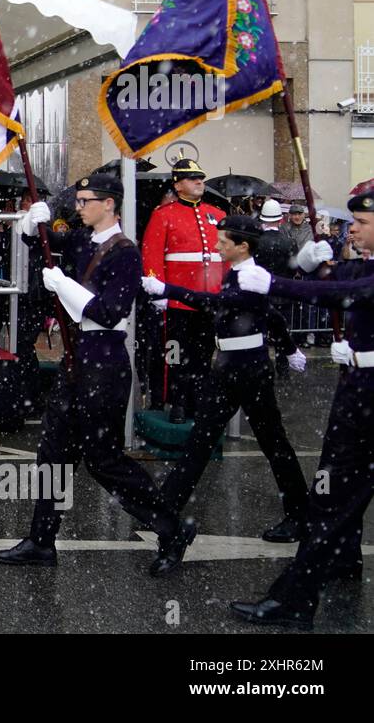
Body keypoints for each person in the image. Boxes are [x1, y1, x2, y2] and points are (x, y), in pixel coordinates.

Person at [0, 174, 194, 576]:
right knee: (52, 453)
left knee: (104, 461)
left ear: (109, 205)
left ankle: (171, 527)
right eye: (79, 200)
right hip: (77, 360)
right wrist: (33, 224)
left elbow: (107, 311)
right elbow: (44, 243)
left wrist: (64, 285)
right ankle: (41, 540)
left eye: (86, 200)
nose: (79, 206)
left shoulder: (126, 254)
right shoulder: (86, 240)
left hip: (105, 361)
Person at [230, 183, 374, 628]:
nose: (354, 229)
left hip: (368, 396)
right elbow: (338, 284)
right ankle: (343, 560)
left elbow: (353, 294)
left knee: (331, 498)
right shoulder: (364, 264)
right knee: (340, 491)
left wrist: (274, 282)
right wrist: (306, 264)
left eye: (364, 223)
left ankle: (294, 598)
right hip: (360, 387)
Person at [140, 215, 310, 543]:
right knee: (201, 439)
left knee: (273, 444)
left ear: (243, 246)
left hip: (250, 370)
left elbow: (216, 303)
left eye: (223, 242)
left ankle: (300, 514)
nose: (217, 246)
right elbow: (269, 315)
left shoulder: (252, 277)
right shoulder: (238, 272)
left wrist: (167, 289)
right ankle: (166, 507)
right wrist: (289, 349)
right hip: (228, 367)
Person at [141, 156, 226, 422]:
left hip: (209, 299)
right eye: (193, 178)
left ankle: (197, 401)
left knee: (203, 355)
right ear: (178, 185)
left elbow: (225, 257)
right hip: (177, 301)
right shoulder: (163, 215)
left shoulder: (218, 215)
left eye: (201, 177)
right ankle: (177, 401)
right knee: (175, 353)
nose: (200, 181)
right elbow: (152, 254)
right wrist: (158, 292)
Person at [254, 198, 296, 276]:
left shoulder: (254, 242)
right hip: (282, 284)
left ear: (262, 219)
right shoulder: (290, 242)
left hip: (260, 284)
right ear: (280, 219)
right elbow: (293, 270)